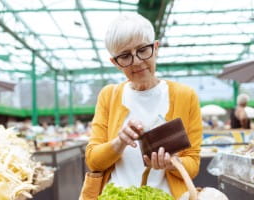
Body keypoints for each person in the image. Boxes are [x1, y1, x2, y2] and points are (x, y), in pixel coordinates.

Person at [84, 13, 203, 199]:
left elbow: (193, 164)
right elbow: (93, 161)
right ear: (115, 63)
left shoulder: (185, 96)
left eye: (142, 50)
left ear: (155, 48)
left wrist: (172, 163)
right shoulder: (109, 96)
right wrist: (119, 142)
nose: (137, 61)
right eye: (125, 56)